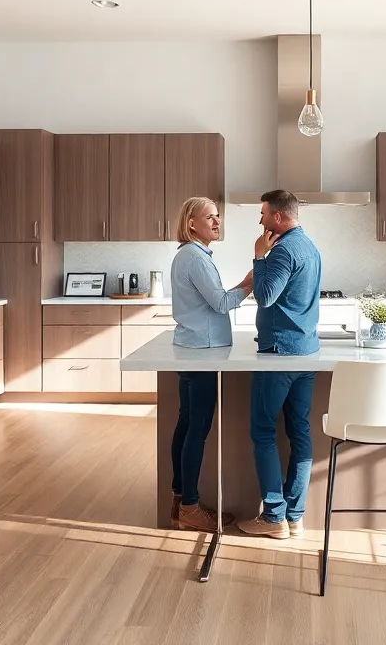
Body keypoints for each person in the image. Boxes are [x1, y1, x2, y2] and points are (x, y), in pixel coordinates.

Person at [236, 189, 322, 540]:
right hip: (306, 351)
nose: (259, 220)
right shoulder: (310, 247)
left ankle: (274, 517)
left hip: (279, 353)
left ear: (278, 218)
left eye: (262, 213)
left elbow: (266, 295)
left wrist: (259, 257)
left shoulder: (283, 249)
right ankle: (295, 516)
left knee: (263, 431)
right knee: (300, 432)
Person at [168, 197, 252, 532]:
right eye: (210, 217)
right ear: (191, 223)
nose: (218, 222)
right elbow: (220, 303)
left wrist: (240, 286)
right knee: (197, 429)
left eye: (218, 216)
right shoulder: (195, 256)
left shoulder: (189, 254)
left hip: (192, 348)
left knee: (187, 424)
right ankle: (190, 508)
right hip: (202, 351)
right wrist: (250, 283)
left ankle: (180, 501)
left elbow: (212, 300)